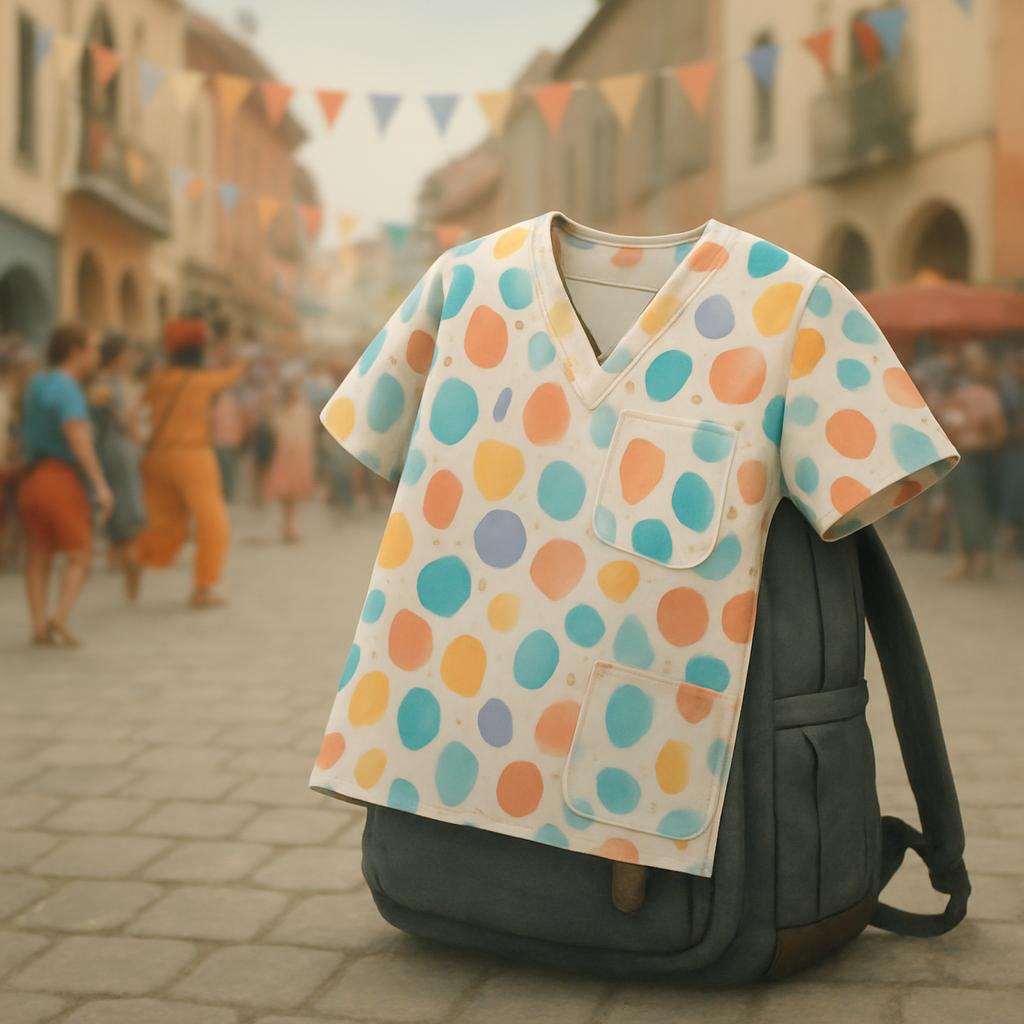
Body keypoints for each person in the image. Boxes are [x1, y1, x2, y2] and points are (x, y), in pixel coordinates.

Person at [135, 315, 244, 607]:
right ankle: (204, 587)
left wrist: (137, 439)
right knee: (213, 523)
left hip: (156, 456)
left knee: (166, 523)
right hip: (193, 456)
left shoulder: (157, 379)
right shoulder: (201, 381)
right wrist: (231, 349)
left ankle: (137, 556)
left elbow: (133, 414)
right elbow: (234, 373)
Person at [16, 324, 113, 646]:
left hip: (31, 479)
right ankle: (60, 614)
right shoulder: (69, 389)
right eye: (93, 348)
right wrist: (100, 485)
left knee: (39, 555)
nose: (97, 356)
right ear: (76, 352)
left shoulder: (36, 384)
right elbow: (78, 439)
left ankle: (39, 624)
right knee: (80, 556)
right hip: (60, 478)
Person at [940, 342, 1008, 579]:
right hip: (979, 457)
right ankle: (978, 559)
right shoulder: (981, 394)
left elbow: (996, 430)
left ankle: (975, 558)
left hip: (971, 457)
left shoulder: (975, 395)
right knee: (975, 508)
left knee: (969, 509)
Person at [89, 331, 146, 600]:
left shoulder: (104, 383)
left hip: (110, 451)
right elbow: (124, 423)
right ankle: (131, 582)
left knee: (121, 515)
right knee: (128, 517)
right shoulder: (108, 384)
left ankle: (126, 574)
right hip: (118, 452)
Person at [262, 373, 316, 542]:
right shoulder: (281, 410)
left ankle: (290, 526)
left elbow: (308, 432)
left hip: (299, 451)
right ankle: (288, 526)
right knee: (285, 493)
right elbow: (275, 430)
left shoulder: (303, 409)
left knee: (294, 494)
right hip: (286, 452)